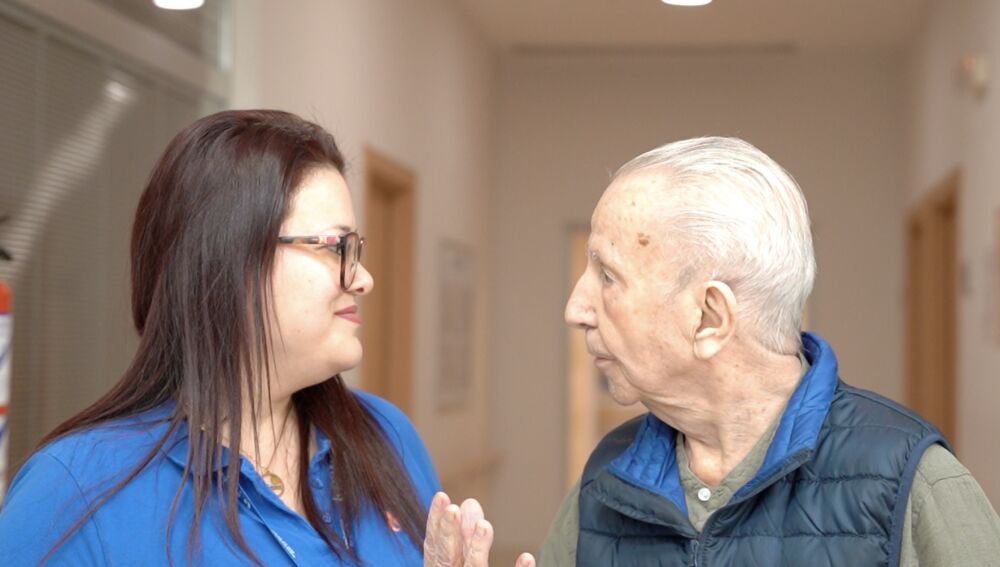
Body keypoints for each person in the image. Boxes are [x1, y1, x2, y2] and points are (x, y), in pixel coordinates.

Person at [0, 109, 444, 565]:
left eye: (357, 250)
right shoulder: (75, 491)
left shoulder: (387, 436)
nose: (363, 278)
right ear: (229, 262)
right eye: (336, 248)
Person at [537, 137, 1000, 566]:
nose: (575, 309)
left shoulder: (914, 482)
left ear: (710, 317)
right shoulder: (604, 480)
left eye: (608, 277)